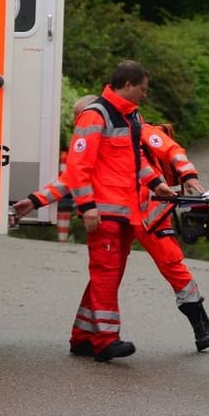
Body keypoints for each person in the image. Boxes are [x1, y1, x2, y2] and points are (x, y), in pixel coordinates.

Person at [13, 99, 209, 352]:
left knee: (170, 264)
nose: (83, 125)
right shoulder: (95, 142)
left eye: (83, 118)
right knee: (106, 278)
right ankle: (83, 336)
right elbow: (70, 179)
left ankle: (199, 320)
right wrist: (35, 201)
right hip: (119, 215)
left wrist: (188, 175)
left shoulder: (135, 130)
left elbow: (171, 149)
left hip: (151, 213)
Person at [12, 61, 170, 362]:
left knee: (106, 276)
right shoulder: (96, 116)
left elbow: (135, 159)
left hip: (124, 212)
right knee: (106, 276)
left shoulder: (130, 116)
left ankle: (83, 336)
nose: (145, 96)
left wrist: (156, 183)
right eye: (143, 89)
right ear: (128, 85)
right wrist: (87, 208)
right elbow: (77, 169)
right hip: (105, 213)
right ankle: (106, 341)